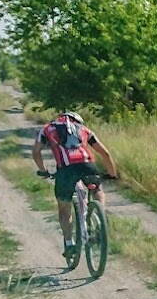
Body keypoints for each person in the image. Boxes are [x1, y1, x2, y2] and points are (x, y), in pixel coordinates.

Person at [31, 111, 119, 260]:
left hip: (65, 170)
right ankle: (100, 217)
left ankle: (69, 243)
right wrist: (112, 174)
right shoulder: (84, 129)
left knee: (64, 208)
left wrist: (43, 170)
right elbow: (105, 153)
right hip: (87, 165)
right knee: (98, 190)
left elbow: (36, 152)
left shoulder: (47, 129)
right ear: (77, 120)